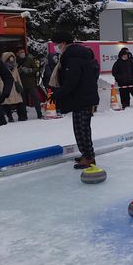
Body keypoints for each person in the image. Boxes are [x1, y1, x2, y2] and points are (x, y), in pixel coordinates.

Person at [50, 32, 100, 169]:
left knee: (81, 129)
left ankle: (89, 157)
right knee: (81, 128)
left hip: (82, 98)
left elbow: (71, 81)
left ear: (64, 43)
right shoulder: (76, 55)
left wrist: (58, 93)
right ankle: (86, 154)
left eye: (57, 44)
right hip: (82, 97)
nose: (56, 47)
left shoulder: (73, 58)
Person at [16, 46, 42, 120]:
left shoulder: (29, 59)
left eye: (23, 52)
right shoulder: (16, 61)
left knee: (36, 99)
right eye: (21, 52)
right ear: (17, 53)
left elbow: (36, 68)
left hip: (31, 83)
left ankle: (39, 114)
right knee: (22, 101)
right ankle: (24, 116)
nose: (22, 53)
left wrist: (30, 70)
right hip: (21, 85)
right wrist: (19, 71)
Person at [1, 51, 27, 122]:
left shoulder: (15, 68)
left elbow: (18, 77)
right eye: (9, 60)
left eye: (12, 60)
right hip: (7, 88)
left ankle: (22, 116)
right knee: (6, 103)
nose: (11, 62)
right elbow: (0, 80)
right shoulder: (2, 68)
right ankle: (10, 117)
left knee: (19, 102)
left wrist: (20, 87)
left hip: (15, 88)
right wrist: (2, 89)